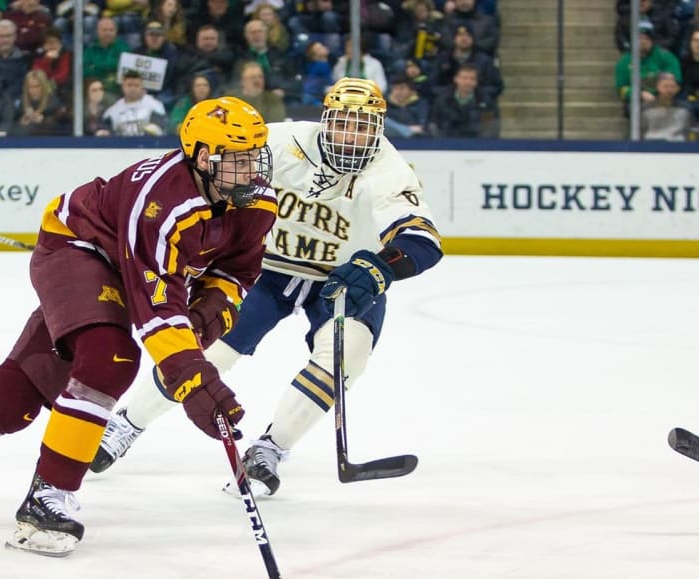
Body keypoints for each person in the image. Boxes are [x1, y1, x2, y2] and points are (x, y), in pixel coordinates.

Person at [0, 97, 277, 557]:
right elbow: (157, 308)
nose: (252, 169)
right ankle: (47, 498)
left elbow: (236, 272)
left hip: (128, 271)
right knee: (111, 359)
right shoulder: (163, 204)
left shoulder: (256, 200)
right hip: (78, 250)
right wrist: (194, 380)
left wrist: (207, 316)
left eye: (255, 156)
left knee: (10, 400)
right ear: (204, 158)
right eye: (239, 159)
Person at [90, 78, 444, 497]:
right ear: (325, 119)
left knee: (345, 354)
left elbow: (422, 241)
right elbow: (201, 171)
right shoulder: (281, 141)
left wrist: (378, 268)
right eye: (344, 123)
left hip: (340, 280)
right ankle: (127, 423)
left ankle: (270, 450)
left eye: (363, 127)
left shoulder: (389, 169)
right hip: (263, 266)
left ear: (379, 129)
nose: (352, 135)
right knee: (210, 348)